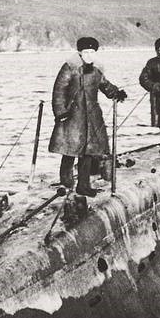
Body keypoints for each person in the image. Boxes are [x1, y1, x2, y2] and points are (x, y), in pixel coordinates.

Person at [49, 36, 127, 197]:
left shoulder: (96, 70)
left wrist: (116, 93)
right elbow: (59, 90)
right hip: (72, 116)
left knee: (88, 153)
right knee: (69, 150)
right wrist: (60, 112)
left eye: (92, 52)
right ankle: (66, 183)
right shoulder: (70, 68)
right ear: (80, 53)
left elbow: (104, 85)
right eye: (86, 52)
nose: (89, 55)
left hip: (92, 116)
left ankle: (83, 185)